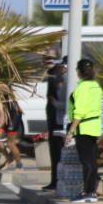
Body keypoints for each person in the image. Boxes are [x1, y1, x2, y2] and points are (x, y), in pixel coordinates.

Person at [65, 59, 103, 203]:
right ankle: (91, 191)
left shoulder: (82, 88)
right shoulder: (96, 86)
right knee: (92, 161)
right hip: (94, 126)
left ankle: (88, 192)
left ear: (79, 72)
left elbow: (79, 113)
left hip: (84, 127)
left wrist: (70, 132)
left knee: (86, 162)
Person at [42, 57, 67, 191]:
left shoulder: (62, 80)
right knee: (56, 153)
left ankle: (56, 180)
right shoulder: (56, 78)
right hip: (55, 121)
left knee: (58, 153)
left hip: (60, 121)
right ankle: (55, 180)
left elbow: (56, 101)